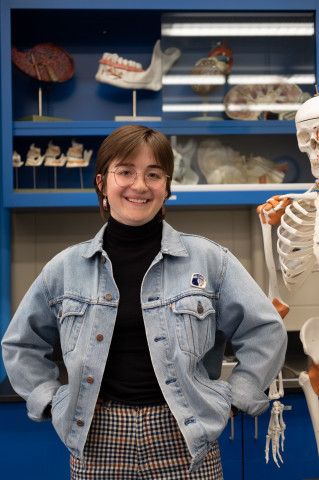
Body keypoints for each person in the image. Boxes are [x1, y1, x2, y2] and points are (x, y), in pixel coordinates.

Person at [2, 124, 287, 480]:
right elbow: (20, 343)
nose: (139, 185)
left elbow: (265, 331)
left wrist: (236, 396)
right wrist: (49, 399)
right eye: (125, 172)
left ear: (167, 187)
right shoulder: (64, 268)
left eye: (154, 174)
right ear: (102, 182)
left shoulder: (210, 260)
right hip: (96, 438)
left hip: (185, 437)